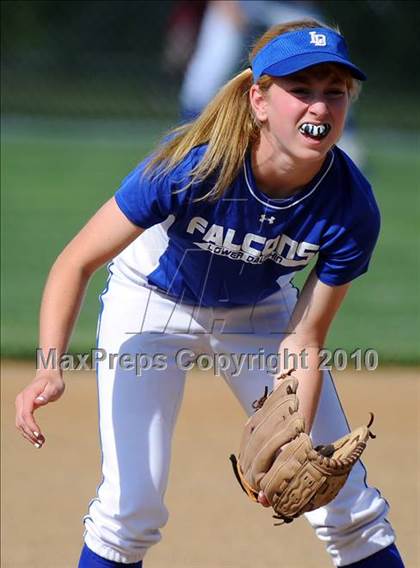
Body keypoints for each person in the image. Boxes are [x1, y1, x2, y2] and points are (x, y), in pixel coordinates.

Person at [15, 19, 404, 568]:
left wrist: (295, 431)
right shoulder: (194, 165)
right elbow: (75, 261)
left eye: (333, 92)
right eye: (301, 90)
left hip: (259, 315)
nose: (319, 107)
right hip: (152, 305)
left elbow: (305, 336)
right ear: (259, 100)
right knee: (130, 510)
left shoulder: (352, 207)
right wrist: (49, 366)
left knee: (346, 505)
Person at [178, 0, 364, 166]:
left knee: (328, 53)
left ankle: (345, 139)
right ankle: (190, 137)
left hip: (290, 5)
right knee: (212, 65)